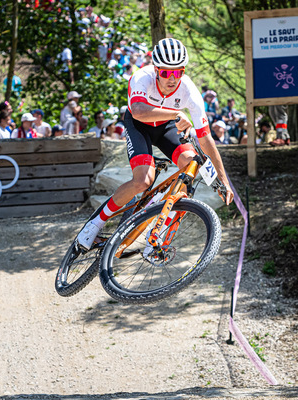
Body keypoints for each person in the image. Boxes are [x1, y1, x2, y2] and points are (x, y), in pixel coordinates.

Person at [77, 38, 233, 250]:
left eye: (178, 72)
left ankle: (161, 230)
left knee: (192, 164)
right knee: (142, 181)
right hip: (139, 125)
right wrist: (177, 113)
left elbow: (205, 138)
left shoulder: (189, 90)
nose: (172, 78)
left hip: (167, 127)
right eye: (167, 72)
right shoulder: (142, 77)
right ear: (156, 69)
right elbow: (140, 112)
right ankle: (95, 224)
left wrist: (223, 178)